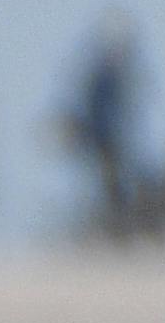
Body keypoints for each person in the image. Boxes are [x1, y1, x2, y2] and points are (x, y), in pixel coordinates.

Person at [58, 13, 147, 236]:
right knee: (110, 187)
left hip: (114, 141)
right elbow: (96, 112)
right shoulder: (102, 78)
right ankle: (112, 229)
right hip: (104, 141)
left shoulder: (118, 76)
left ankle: (118, 227)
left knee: (118, 187)